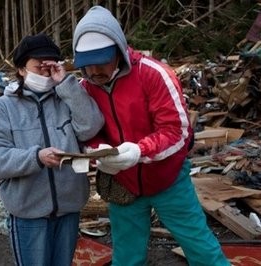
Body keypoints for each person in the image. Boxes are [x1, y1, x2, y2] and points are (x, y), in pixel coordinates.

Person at [72, 6, 231, 266]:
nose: (93, 71)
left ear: (119, 52)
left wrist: (139, 151)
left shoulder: (153, 74)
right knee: (126, 256)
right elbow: (85, 130)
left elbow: (176, 131)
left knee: (200, 248)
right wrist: (96, 151)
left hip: (168, 178)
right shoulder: (86, 87)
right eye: (86, 65)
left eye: (101, 61)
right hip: (123, 183)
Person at [0, 33, 104, 266]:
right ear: (21, 70)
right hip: (28, 213)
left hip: (69, 208)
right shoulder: (2, 108)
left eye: (50, 67)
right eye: (39, 68)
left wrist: (65, 83)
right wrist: (36, 157)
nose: (45, 74)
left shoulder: (65, 98)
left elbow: (90, 126)